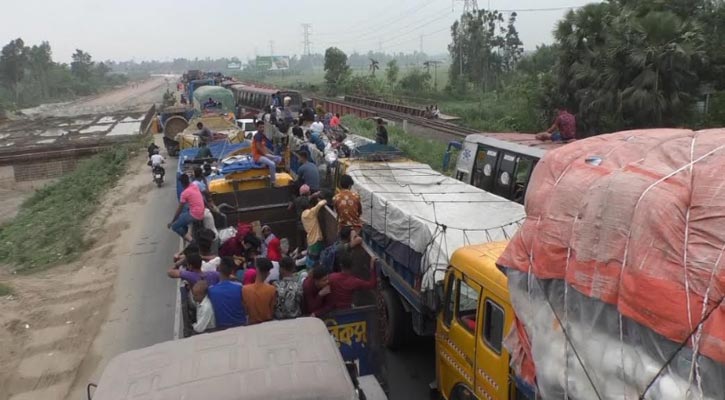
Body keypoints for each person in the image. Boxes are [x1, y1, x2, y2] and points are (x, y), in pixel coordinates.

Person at [207, 257, 246, 329]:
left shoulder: (211, 290)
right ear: (232, 271)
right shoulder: (240, 287)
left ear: (218, 269)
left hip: (221, 327)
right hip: (241, 324)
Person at [168, 174, 204, 241]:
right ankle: (186, 233)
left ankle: (191, 241)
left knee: (174, 226)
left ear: (181, 183)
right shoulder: (194, 186)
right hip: (202, 211)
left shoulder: (184, 193)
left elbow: (179, 209)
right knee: (183, 215)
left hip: (195, 214)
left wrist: (172, 222)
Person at [242, 257, 277, 324]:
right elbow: (272, 310)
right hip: (268, 323)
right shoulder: (272, 289)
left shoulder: (245, 290)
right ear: (268, 273)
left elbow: (245, 311)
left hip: (252, 324)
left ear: (257, 269)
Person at [251, 120, 282, 186]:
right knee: (272, 164)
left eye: (263, 127)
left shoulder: (263, 136)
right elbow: (259, 148)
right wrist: (269, 156)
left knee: (279, 159)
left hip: (263, 155)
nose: (262, 129)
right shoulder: (257, 136)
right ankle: (273, 182)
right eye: (260, 127)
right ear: (257, 128)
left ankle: (269, 172)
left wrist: (272, 153)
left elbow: (264, 147)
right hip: (257, 156)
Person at [301, 198, 327, 269]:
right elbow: (320, 204)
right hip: (316, 239)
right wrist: (325, 200)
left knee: (311, 259)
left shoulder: (302, 215)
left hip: (310, 239)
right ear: (309, 206)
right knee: (317, 261)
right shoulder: (311, 212)